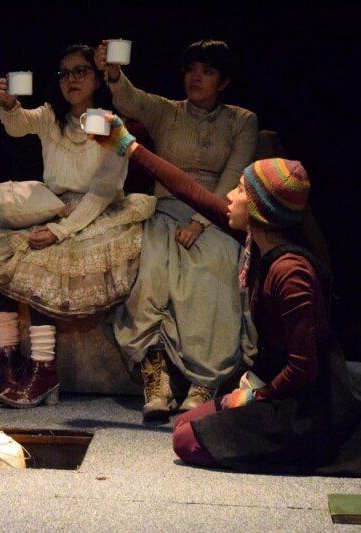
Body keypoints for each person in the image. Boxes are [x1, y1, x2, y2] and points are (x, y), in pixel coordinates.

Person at [92, 116, 361, 476]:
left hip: (305, 405)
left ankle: (295, 450)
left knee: (186, 441)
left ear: (260, 208)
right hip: (274, 383)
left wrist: (253, 396)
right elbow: (191, 191)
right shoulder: (259, 242)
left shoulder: (291, 272)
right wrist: (128, 146)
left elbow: (304, 368)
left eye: (240, 190)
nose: (230, 196)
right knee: (185, 423)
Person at [0, 44, 155, 408]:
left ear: (97, 79)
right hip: (54, 207)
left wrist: (61, 231)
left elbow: (102, 191)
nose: (71, 80)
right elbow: (19, 125)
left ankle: (43, 370)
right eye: (64, 73)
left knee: (43, 261)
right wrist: (8, 104)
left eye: (80, 71)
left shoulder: (109, 123)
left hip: (98, 213)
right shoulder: (52, 116)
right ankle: (10, 363)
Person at [95, 39, 259, 420]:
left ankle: (205, 380)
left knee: (216, 267)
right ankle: (157, 376)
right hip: (166, 210)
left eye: (207, 71)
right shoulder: (167, 111)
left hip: (218, 215)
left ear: (223, 82)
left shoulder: (243, 121)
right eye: (191, 70)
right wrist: (114, 75)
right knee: (151, 270)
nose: (196, 77)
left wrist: (201, 222)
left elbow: (234, 176)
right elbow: (133, 101)